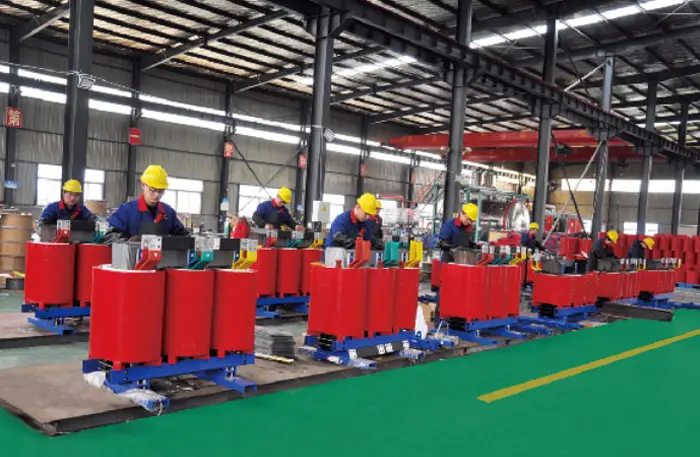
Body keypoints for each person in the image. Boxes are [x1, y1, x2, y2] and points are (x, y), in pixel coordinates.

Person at [107, 165, 188, 240]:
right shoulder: (126, 211)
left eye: (160, 191)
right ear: (143, 185)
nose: (156, 194)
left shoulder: (168, 212)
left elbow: (184, 236)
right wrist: (129, 243)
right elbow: (111, 236)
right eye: (152, 189)